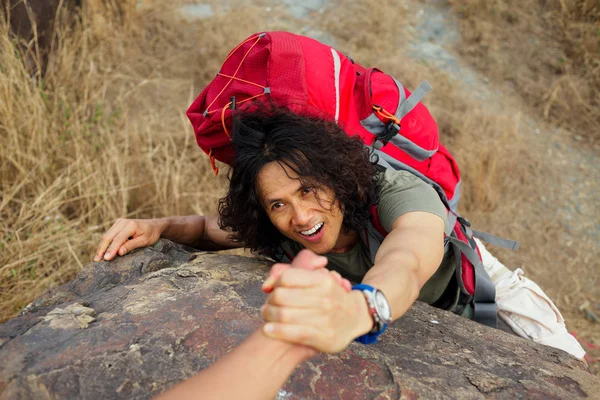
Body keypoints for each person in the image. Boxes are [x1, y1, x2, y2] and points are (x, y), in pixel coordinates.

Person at [95, 107, 586, 360]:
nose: (301, 215)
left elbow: (408, 258)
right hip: (417, 314)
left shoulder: (393, 190)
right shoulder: (280, 229)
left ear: (336, 177)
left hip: (480, 290)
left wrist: (363, 308)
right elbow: (205, 229)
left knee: (572, 364)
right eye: (278, 205)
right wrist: (154, 226)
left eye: (309, 190)